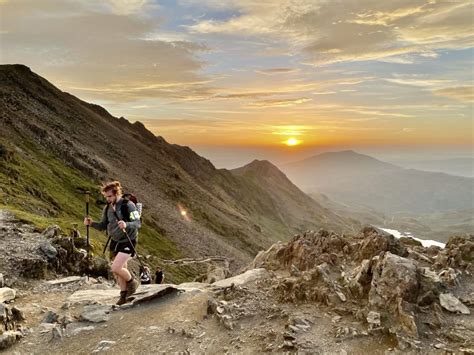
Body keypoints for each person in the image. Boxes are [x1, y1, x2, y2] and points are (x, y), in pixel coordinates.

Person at [84, 181, 141, 305]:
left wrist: (127, 224)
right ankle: (123, 295)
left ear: (116, 194)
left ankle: (132, 282)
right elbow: (103, 225)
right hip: (115, 241)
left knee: (116, 267)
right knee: (120, 269)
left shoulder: (128, 205)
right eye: (106, 197)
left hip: (129, 240)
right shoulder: (107, 208)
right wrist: (91, 223)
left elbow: (137, 223)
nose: (108, 199)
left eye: (109, 196)